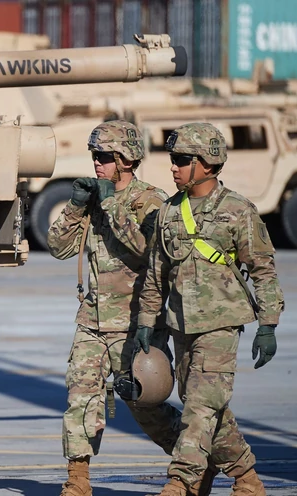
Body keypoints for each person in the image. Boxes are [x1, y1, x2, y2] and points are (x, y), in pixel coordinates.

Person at [137, 122, 284, 496]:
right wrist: (146, 322)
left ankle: (182, 481)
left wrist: (268, 325)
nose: (173, 167)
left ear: (207, 162)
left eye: (181, 159)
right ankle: (247, 478)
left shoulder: (238, 210)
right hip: (181, 325)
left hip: (221, 325)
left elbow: (263, 270)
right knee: (205, 405)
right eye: (173, 159)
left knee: (201, 407)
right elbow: (156, 273)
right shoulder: (169, 212)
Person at [48, 120, 184, 496]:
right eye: (95, 155)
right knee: (81, 398)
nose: (97, 162)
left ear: (126, 159)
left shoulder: (151, 200)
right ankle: (78, 480)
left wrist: (109, 203)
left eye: (105, 156)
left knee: (145, 404)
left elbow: (148, 250)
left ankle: (194, 462)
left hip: (136, 323)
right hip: (92, 321)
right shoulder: (93, 200)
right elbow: (58, 247)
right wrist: (77, 206)